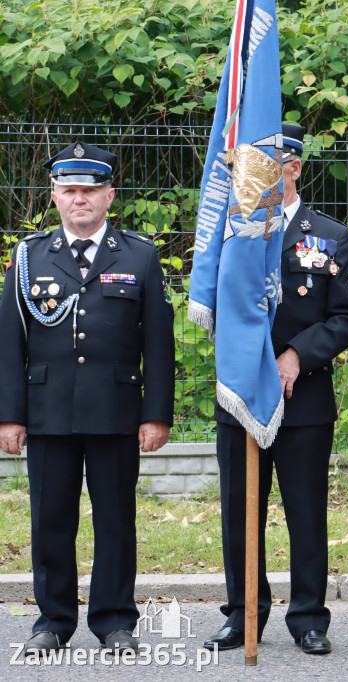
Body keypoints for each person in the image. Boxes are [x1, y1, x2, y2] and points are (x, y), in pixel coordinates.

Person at [0, 141, 174, 654]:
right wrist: (9, 415)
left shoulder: (140, 255)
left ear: (109, 196)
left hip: (117, 412)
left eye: (90, 191)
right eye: (69, 190)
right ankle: (52, 622)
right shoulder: (30, 257)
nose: (80, 200)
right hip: (49, 410)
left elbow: (158, 344)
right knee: (50, 518)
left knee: (116, 519)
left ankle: (115, 620)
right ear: (54, 197)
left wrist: (156, 414)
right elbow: (10, 343)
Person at [203, 124, 348, 655]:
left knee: (305, 510)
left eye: (269, 168)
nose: (256, 180)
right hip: (243, 393)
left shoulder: (330, 236)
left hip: (303, 399)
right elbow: (215, 302)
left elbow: (344, 318)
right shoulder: (229, 232)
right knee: (238, 509)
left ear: (293, 167)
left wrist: (296, 354)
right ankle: (243, 612)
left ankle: (309, 617)